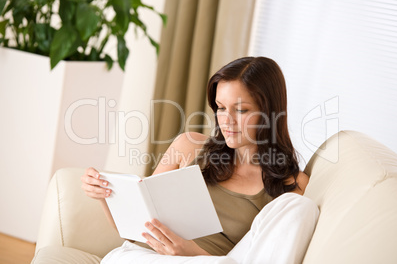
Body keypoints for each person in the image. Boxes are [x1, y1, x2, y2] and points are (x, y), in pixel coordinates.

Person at [81, 56, 319, 263]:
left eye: (241, 110)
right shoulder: (189, 146)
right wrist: (104, 195)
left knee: (301, 207)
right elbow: (137, 229)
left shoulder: (291, 185)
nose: (227, 120)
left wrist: (191, 253)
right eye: (221, 108)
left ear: (269, 113)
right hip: (140, 257)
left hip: (211, 262)